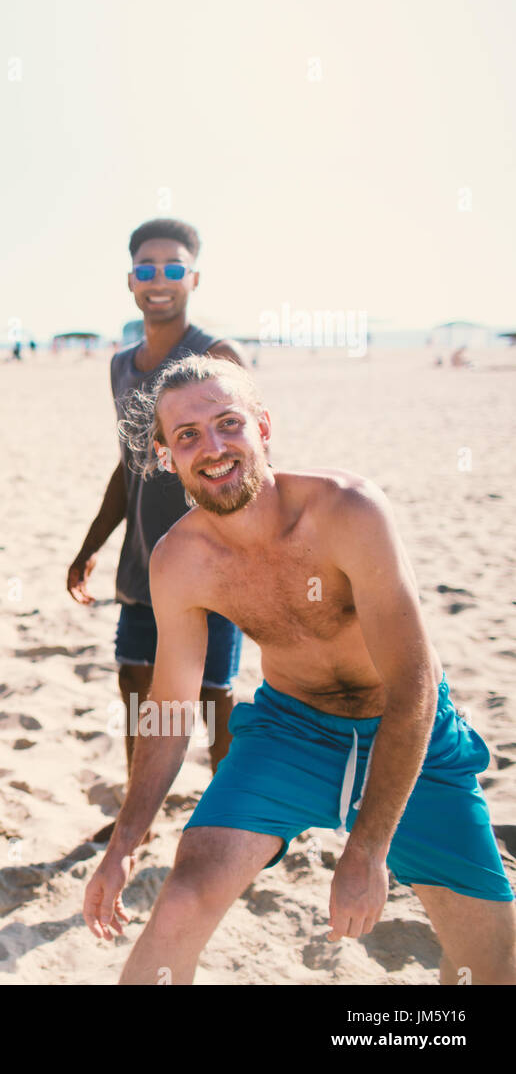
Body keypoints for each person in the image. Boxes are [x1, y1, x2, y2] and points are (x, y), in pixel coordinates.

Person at [82, 355, 516, 984]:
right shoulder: (179, 558)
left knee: (490, 966)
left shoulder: (348, 510)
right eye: (188, 436)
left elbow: (414, 688)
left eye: (228, 423)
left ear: (263, 426)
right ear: (164, 457)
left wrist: (367, 849)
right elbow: (171, 712)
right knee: (184, 894)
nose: (213, 447)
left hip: (407, 731)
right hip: (290, 733)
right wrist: (124, 843)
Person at [67, 219, 246, 841]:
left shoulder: (216, 356)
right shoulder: (120, 366)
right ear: (130, 281)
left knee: (213, 700)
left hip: (215, 565)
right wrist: (92, 544)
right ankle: (135, 822)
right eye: (148, 269)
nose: (160, 280)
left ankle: (229, 829)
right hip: (144, 565)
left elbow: (248, 462)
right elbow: (130, 466)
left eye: (174, 268)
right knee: (136, 691)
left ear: (193, 277)